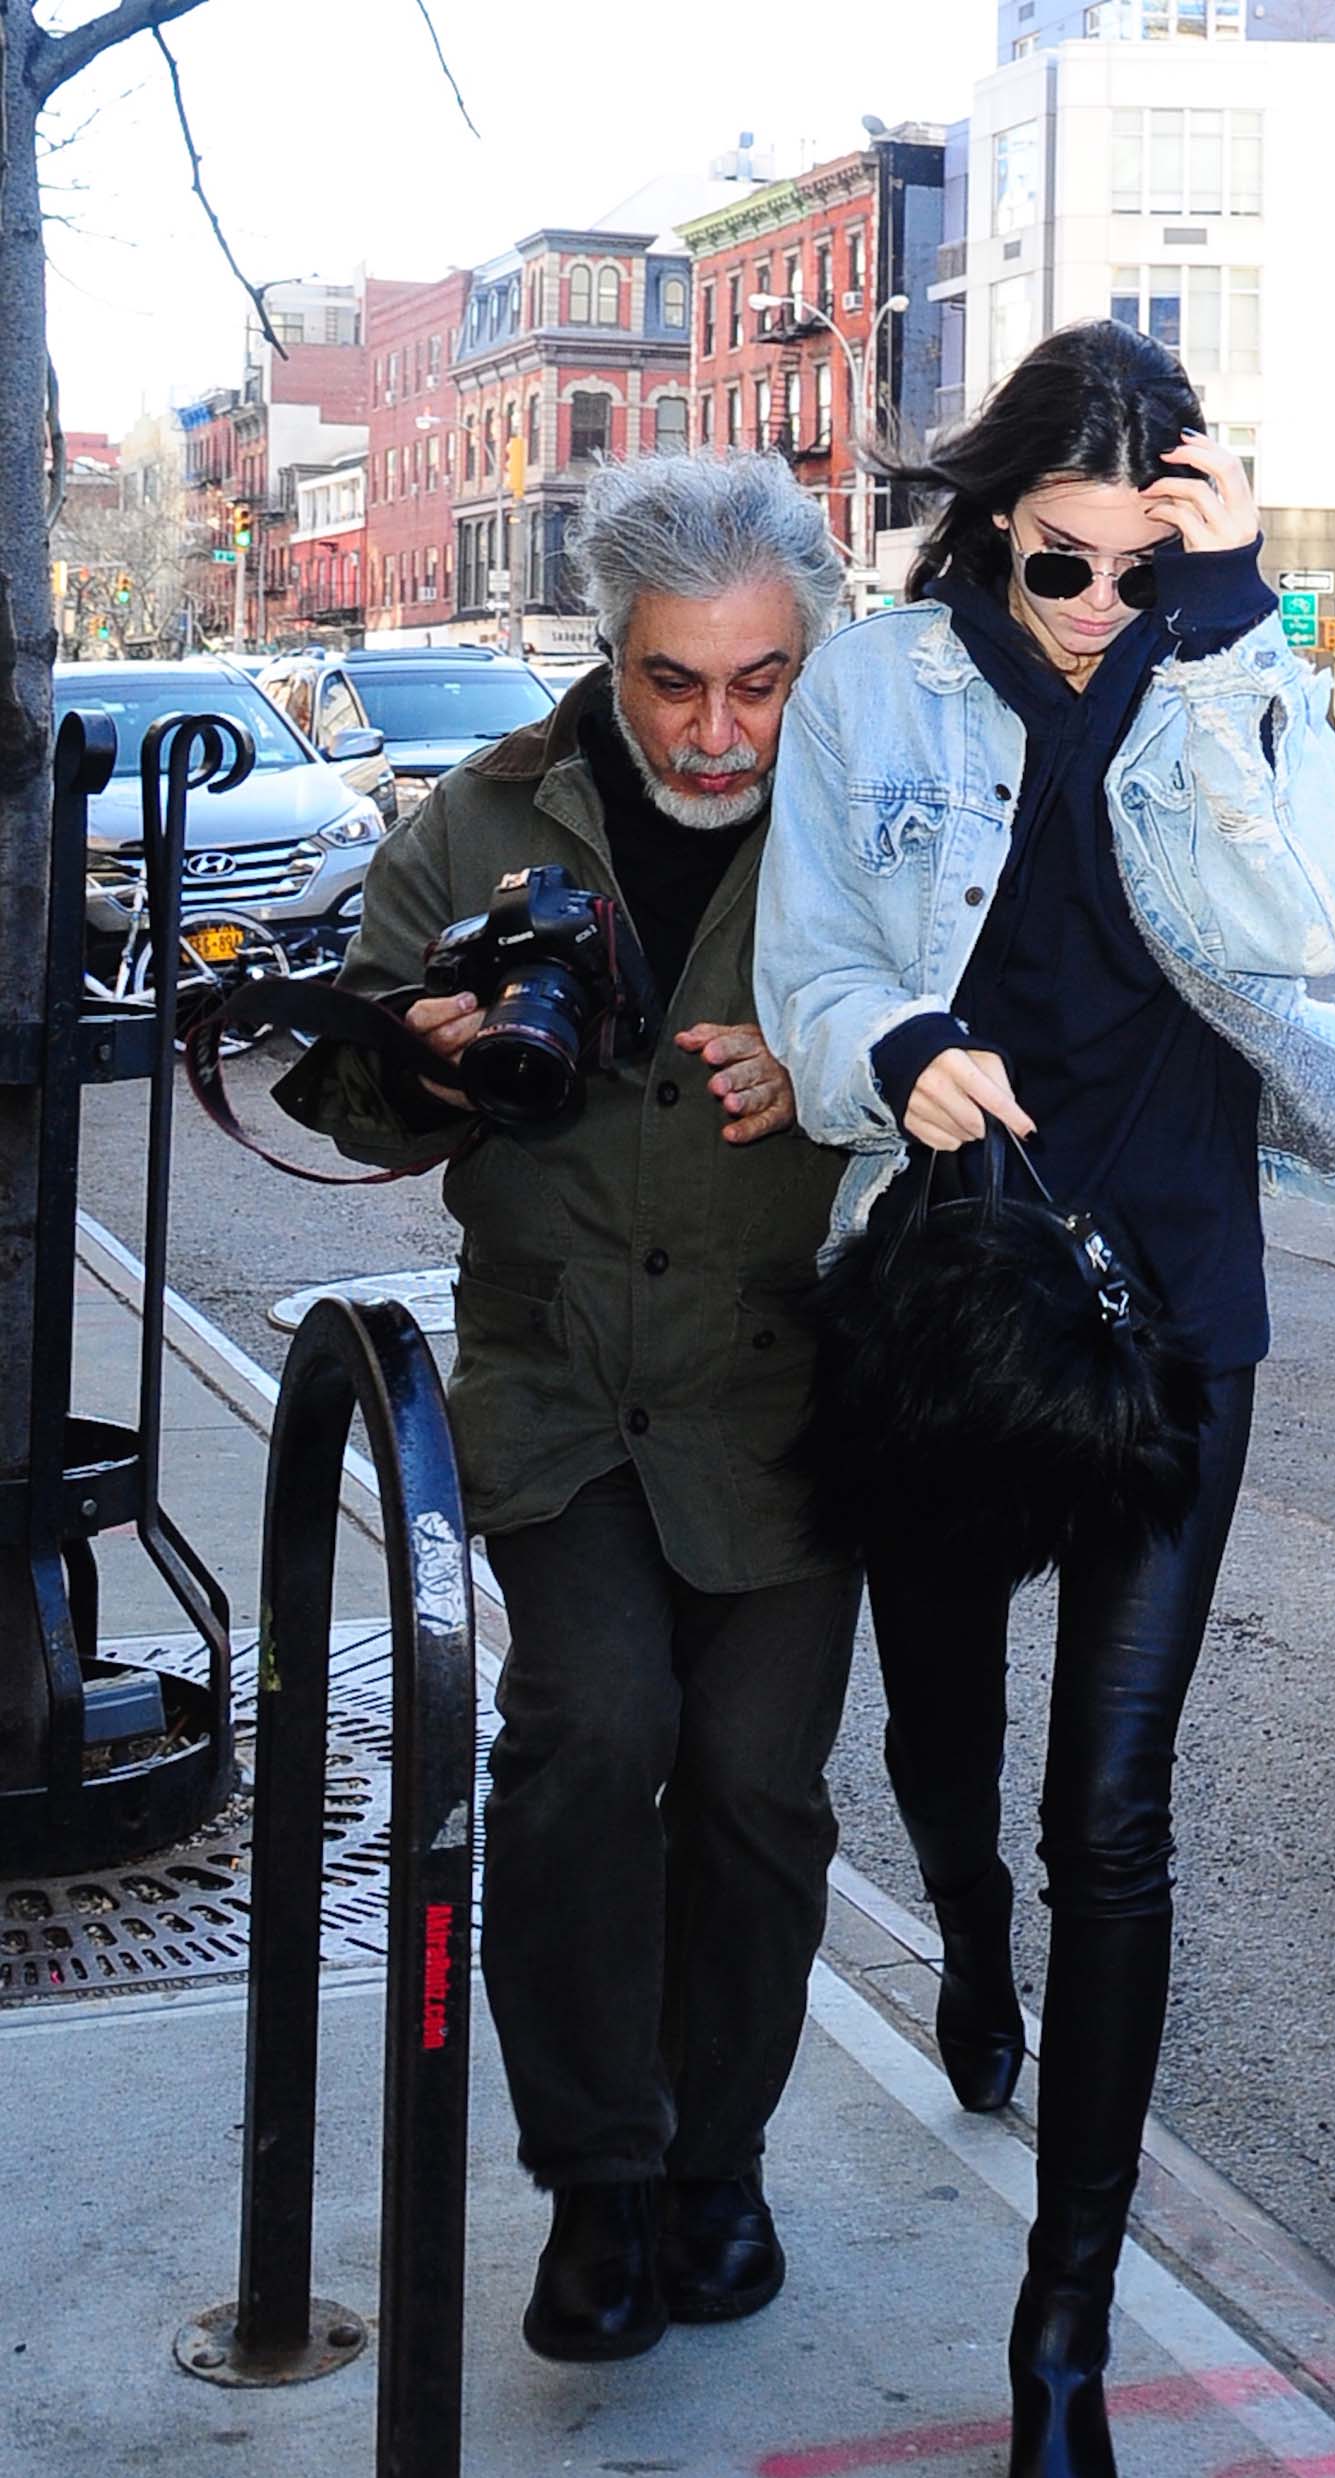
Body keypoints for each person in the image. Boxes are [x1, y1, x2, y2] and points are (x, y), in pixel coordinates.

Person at [755, 322, 1335, 2478]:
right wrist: (892, 1045)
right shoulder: (874, 691)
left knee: (1107, 1809)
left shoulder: (1223, 671)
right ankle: (963, 1942)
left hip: (1177, 1315)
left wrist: (1230, 639)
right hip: (959, 1301)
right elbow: (805, 970)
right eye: (1061, 560)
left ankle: (1062, 2341)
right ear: (993, 520)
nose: (1096, 606)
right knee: (942, 1747)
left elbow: (1322, 919)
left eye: (1144, 566)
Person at [276, 450, 860, 2364]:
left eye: (760, 681)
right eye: (673, 681)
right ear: (608, 654)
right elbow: (344, 1086)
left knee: (758, 1787)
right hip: (557, 1379)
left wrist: (841, 1068)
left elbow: (990, 1019)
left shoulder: (868, 821)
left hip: (789, 1384)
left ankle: (718, 2169)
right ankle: (604, 2181)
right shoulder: (478, 818)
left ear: (809, 659)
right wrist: (427, 1064)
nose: (717, 730)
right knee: (590, 1737)